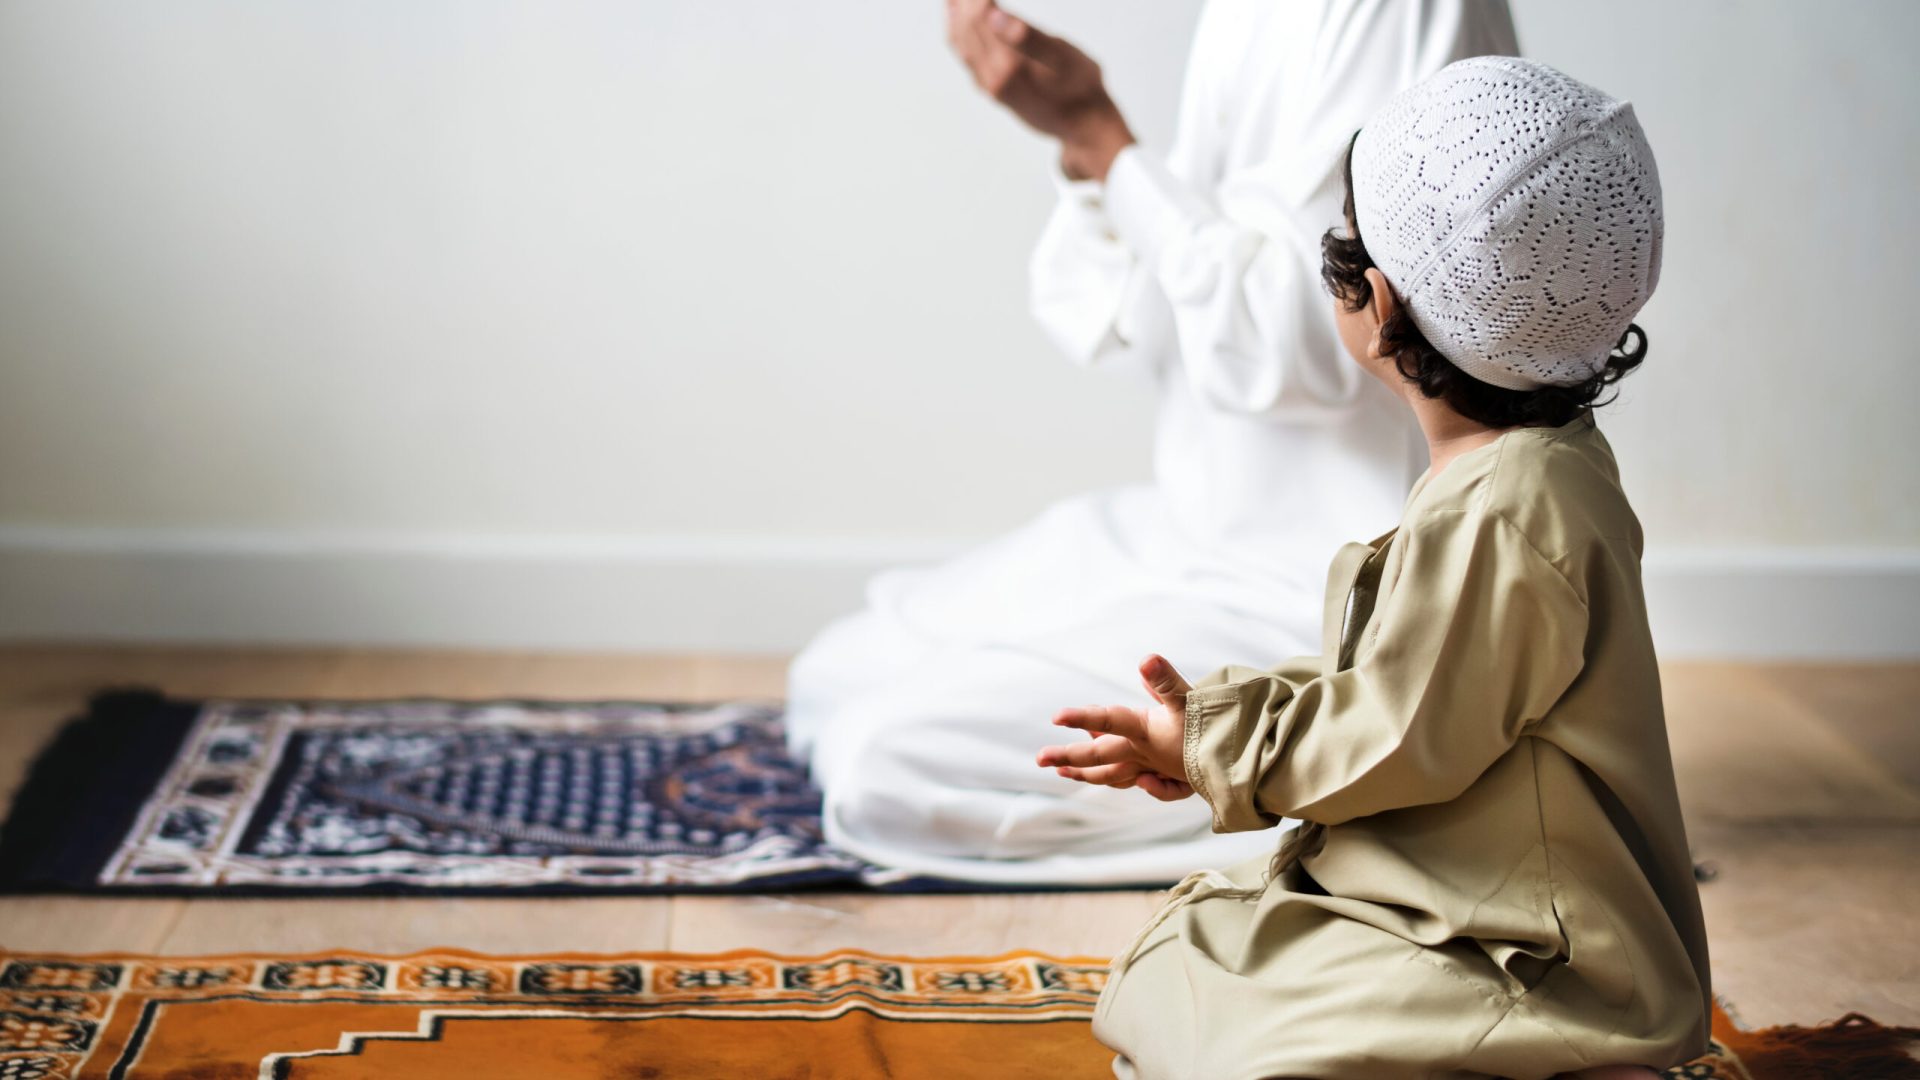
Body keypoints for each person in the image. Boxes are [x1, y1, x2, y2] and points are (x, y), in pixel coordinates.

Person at [1036, 56, 1711, 1079]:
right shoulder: (1532, 468)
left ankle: (1577, 1052)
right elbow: (1407, 686)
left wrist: (1220, 749)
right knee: (1194, 955)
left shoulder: (1508, 508)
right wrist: (1212, 729)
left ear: (1379, 305)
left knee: (1212, 1006)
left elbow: (1398, 730)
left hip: (1537, 948)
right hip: (1468, 896)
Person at [785, 1, 1519, 885]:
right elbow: (1155, 318)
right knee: (833, 676)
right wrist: (1085, 150)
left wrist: (1103, 140)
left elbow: (1328, 342)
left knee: (884, 763)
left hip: (1331, 592)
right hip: (1191, 531)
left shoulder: (1398, 12)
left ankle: (1339, 784)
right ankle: (1275, 775)